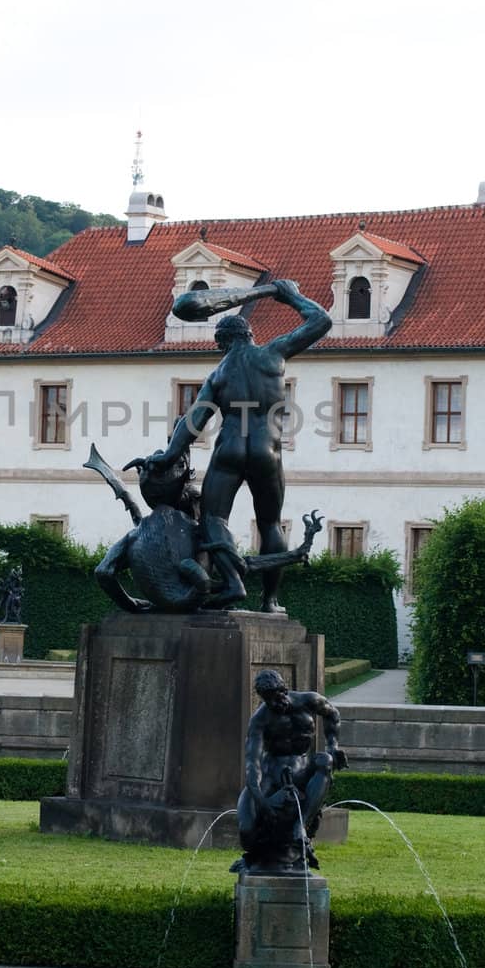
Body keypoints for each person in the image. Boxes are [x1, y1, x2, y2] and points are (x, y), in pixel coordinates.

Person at [145, 278, 331, 611]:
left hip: (229, 450)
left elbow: (192, 424)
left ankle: (233, 582)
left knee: (214, 520)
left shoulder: (218, 375)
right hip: (267, 451)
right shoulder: (273, 354)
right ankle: (270, 601)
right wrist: (292, 297)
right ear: (250, 336)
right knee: (270, 524)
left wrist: (169, 456)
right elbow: (321, 321)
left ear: (222, 343)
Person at [233, 669, 347, 875]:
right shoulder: (260, 719)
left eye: (277, 696)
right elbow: (252, 764)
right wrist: (262, 801)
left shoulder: (309, 700)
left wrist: (333, 745)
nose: (275, 703)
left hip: (303, 767)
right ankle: (256, 858)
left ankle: (300, 826)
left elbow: (333, 714)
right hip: (272, 772)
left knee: (325, 760)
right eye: (268, 700)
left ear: (284, 689)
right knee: (246, 830)